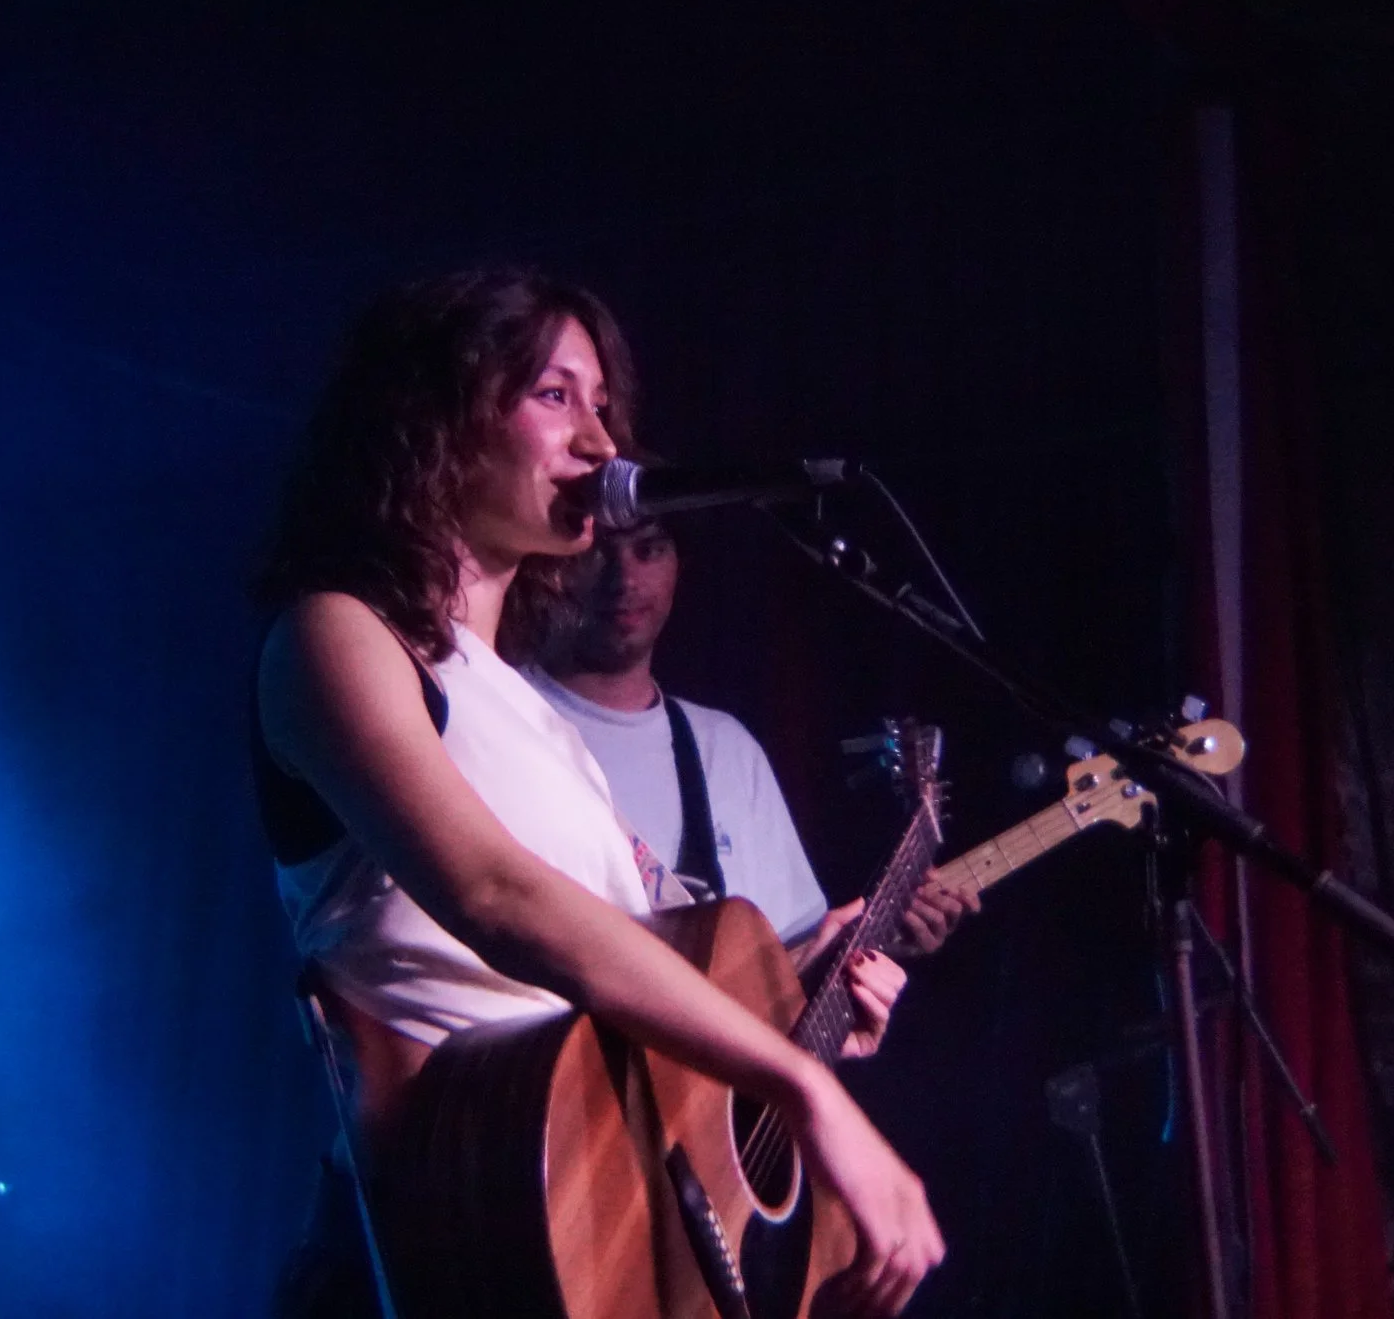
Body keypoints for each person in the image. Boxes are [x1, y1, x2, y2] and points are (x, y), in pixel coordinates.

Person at [253, 268, 943, 1316]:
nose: (601, 444)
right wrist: (798, 1088)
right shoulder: (336, 638)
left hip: (595, 1231)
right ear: (432, 419)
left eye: (604, 406)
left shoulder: (537, 722)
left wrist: (797, 1003)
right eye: (554, 395)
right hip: (451, 1230)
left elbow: (618, 987)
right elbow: (497, 897)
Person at [526, 518, 984, 1014]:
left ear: (680, 564)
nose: (625, 579)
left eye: (650, 549)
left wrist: (885, 941)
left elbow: (790, 962)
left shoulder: (724, 748)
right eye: (598, 550)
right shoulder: (501, 713)